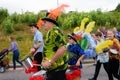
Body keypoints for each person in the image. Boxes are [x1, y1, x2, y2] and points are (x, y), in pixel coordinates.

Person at [41, 13, 68, 80]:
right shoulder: (51, 32)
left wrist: (50, 61)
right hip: (54, 69)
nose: (43, 24)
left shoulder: (55, 31)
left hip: (57, 70)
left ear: (51, 22)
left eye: (45, 22)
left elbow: (63, 48)